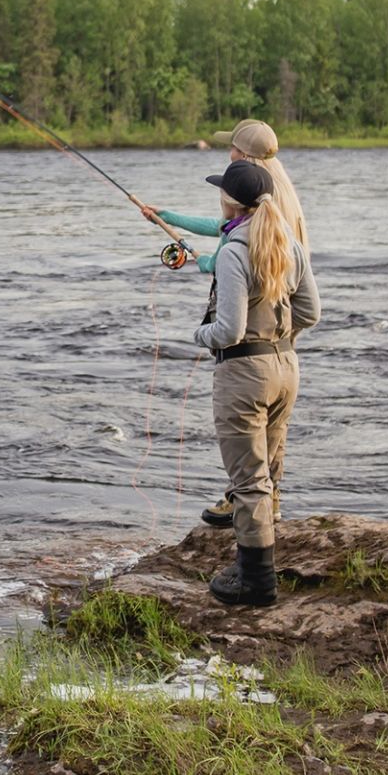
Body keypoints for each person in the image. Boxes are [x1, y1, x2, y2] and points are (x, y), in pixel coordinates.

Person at [136, 116, 308, 527]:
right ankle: (270, 499)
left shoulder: (267, 213)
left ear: (244, 157)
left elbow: (236, 260)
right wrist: (169, 217)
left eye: (231, 149)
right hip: (281, 345)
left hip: (254, 338)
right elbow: (227, 232)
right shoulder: (269, 198)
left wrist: (206, 264)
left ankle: (250, 523)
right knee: (270, 429)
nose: (226, 153)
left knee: (250, 434)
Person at [188, 160, 319, 606]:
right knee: (269, 468)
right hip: (286, 368)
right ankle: (261, 562)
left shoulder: (231, 251)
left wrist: (198, 335)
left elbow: (228, 330)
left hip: (244, 374)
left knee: (248, 481)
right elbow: (311, 313)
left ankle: (257, 581)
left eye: (221, 192)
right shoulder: (289, 242)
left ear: (230, 201)